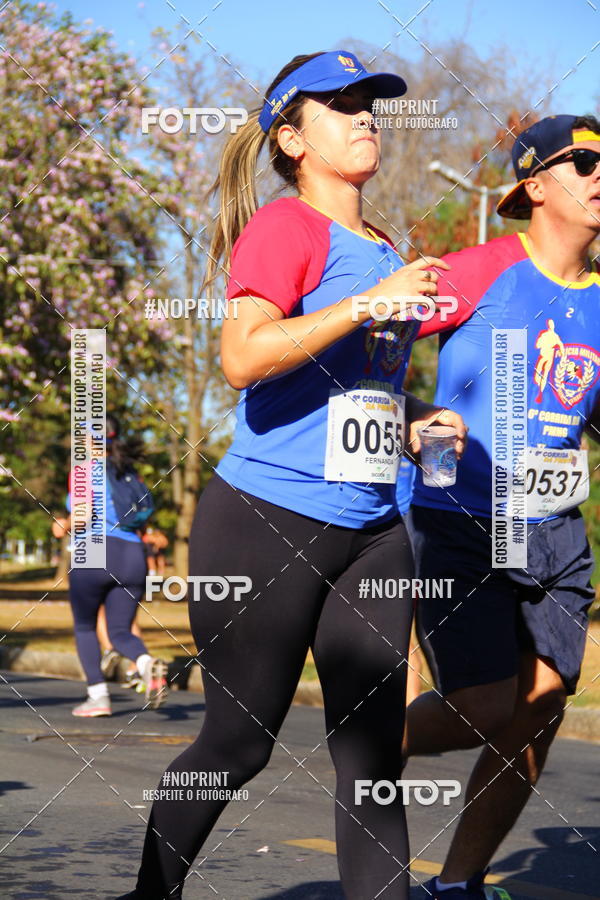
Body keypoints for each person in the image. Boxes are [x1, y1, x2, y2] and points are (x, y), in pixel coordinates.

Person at [117, 50, 466, 900]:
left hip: (374, 530)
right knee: (238, 744)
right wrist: (366, 306)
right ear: (290, 137)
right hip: (268, 519)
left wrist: (414, 416)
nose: (364, 114)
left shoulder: (386, 246)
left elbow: (354, 382)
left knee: (372, 756)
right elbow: (242, 357)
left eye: (370, 102)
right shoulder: (285, 229)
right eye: (340, 104)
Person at [404, 114, 600, 899]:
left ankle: (458, 884)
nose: (599, 173)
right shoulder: (478, 268)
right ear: (533, 183)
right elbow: (364, 348)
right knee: (487, 704)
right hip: (462, 517)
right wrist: (410, 414)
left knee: (540, 705)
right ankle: (369, 740)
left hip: (552, 529)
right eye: (583, 160)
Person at [53, 414, 168, 716]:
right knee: (119, 631)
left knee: (85, 626)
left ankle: (98, 697)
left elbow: (80, 517)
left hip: (95, 551)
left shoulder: (84, 472)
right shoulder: (129, 473)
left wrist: (63, 524)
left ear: (90, 441)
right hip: (132, 557)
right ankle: (144, 663)